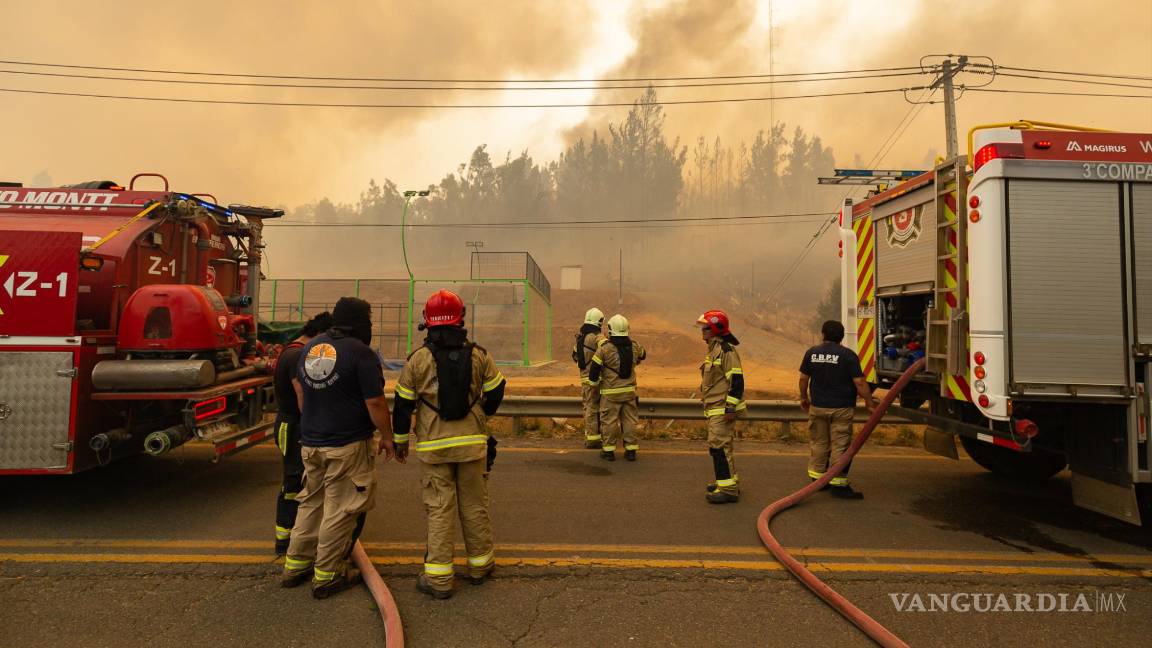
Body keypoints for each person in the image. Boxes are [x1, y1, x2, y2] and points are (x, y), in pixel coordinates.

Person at [392, 290, 506, 600]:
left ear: (427, 322)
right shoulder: (480, 355)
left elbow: (402, 404)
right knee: (474, 504)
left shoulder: (418, 360)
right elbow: (497, 391)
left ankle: (440, 581)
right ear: (461, 318)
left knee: (440, 508)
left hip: (435, 447)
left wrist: (400, 441)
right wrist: (481, 413)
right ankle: (481, 567)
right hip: (472, 444)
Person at [281, 297, 398, 599]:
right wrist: (387, 435)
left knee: (310, 502)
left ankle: (295, 565)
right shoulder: (361, 354)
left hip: (311, 442)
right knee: (340, 508)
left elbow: (303, 397)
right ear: (362, 323)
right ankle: (328, 573)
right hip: (345, 444)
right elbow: (375, 401)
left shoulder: (309, 349)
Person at [272, 311, 333, 555]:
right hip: (294, 425)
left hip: (292, 423)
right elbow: (302, 395)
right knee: (294, 482)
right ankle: (285, 540)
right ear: (320, 334)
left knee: (299, 480)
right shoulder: (298, 355)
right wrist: (315, 424)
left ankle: (291, 536)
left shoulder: (292, 350)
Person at [799, 320, 876, 500]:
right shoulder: (848, 355)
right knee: (840, 445)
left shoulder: (812, 353)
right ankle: (838, 483)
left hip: (817, 407)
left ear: (823, 334)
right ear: (841, 337)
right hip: (841, 408)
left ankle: (818, 479)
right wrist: (869, 403)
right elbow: (859, 382)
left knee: (819, 442)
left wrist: (804, 397)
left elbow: (804, 379)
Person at [697, 310, 745, 504]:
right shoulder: (714, 350)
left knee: (719, 448)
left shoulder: (726, 351)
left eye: (705, 327)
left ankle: (728, 490)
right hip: (715, 407)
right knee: (721, 448)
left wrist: (730, 408)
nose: (702, 331)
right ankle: (726, 482)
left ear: (715, 328)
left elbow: (737, 381)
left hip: (722, 408)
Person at [588, 314, 646, 462]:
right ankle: (631, 451)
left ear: (611, 330)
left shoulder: (604, 349)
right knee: (630, 421)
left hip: (610, 394)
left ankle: (608, 452)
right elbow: (643, 355)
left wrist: (593, 385)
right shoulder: (634, 346)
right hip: (629, 392)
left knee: (609, 422)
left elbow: (594, 370)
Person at [572, 307, 606, 449]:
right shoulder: (597, 337)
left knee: (588, 407)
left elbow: (575, 357)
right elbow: (608, 351)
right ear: (599, 322)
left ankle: (590, 436)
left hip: (584, 379)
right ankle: (594, 439)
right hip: (596, 379)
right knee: (596, 408)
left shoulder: (580, 338)